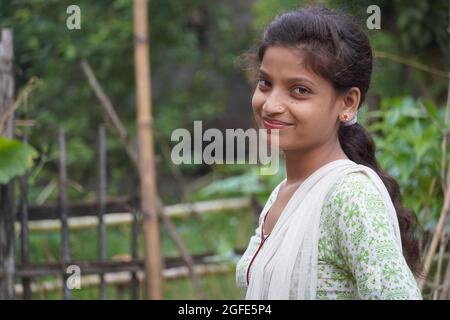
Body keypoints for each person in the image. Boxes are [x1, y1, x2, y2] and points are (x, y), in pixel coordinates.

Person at [235, 6, 423, 300]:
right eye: (265, 83)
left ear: (347, 103)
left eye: (299, 90)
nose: (271, 104)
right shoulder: (282, 194)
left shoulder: (350, 196)